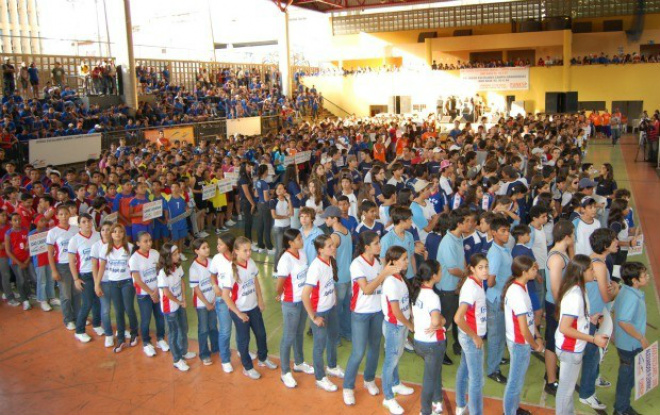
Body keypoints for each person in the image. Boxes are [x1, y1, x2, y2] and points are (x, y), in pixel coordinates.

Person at [343, 231, 394, 405]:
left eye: (379, 242)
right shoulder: (357, 264)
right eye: (376, 243)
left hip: (377, 311)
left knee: (374, 348)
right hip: (361, 312)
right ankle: (348, 387)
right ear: (366, 247)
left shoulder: (378, 262)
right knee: (358, 352)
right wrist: (383, 274)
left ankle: (369, 379)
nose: (380, 246)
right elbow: (366, 289)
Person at [555, 254, 609, 415]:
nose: (595, 272)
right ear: (581, 272)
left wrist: (589, 320)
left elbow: (574, 320)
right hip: (569, 348)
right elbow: (565, 328)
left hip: (574, 347)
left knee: (569, 388)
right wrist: (593, 338)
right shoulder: (575, 296)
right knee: (566, 391)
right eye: (591, 270)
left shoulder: (580, 289)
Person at [221, 236, 277, 379]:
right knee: (244, 339)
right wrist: (238, 313)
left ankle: (263, 358)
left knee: (261, 334)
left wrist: (260, 299)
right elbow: (225, 296)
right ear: (236, 251)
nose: (249, 253)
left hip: (253, 307)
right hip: (239, 310)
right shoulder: (230, 270)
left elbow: (255, 280)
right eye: (245, 251)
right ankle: (247, 367)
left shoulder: (250, 263)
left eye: (250, 250)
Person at [579, 228, 619, 410]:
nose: (617, 242)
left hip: (593, 313)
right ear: (605, 245)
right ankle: (586, 394)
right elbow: (605, 296)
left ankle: (594, 377)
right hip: (592, 316)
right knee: (592, 354)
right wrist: (616, 290)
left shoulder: (592, 258)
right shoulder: (600, 265)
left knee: (595, 353)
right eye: (613, 240)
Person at [502, 256, 545, 415]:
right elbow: (523, 329)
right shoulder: (517, 293)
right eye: (533, 269)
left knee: (518, 380)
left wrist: (538, 335)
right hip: (520, 342)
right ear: (524, 272)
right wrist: (535, 346)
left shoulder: (522, 286)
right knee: (514, 382)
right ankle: (509, 412)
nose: (536, 271)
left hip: (521, 341)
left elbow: (529, 319)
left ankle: (514, 408)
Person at [302, 234, 344, 391]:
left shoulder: (330, 261)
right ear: (320, 250)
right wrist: (314, 317)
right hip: (319, 312)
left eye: (333, 245)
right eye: (329, 246)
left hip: (331, 308)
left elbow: (329, 284)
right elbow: (305, 295)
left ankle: (332, 366)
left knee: (333, 338)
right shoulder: (315, 267)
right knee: (319, 346)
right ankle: (320, 377)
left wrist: (333, 300)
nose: (333, 248)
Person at [275, 228, 314, 388]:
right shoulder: (285, 260)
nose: (301, 240)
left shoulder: (302, 253)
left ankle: (299, 362)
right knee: (288, 337)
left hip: (303, 300)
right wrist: (280, 294)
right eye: (298, 238)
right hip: (291, 303)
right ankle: (285, 372)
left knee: (299, 333)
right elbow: (280, 283)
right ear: (290, 242)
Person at [380, 245, 415, 415]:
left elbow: (404, 303)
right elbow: (395, 311)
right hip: (394, 326)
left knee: (396, 357)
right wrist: (410, 325)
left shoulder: (399, 278)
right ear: (393, 261)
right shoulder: (390, 282)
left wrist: (410, 318)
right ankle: (388, 397)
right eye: (404, 259)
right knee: (390, 361)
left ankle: (396, 383)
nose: (407, 262)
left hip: (401, 326)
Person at [612, 262, 649, 415]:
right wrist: (641, 338)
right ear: (634, 280)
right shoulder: (631, 297)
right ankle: (621, 409)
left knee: (629, 375)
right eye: (644, 276)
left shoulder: (626, 290)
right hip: (630, 345)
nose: (647, 278)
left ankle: (622, 403)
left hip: (626, 343)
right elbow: (623, 321)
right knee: (627, 377)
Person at [411, 259, 446, 415]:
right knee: (430, 379)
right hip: (433, 343)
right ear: (433, 275)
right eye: (440, 271)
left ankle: (437, 401)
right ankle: (425, 411)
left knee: (435, 371)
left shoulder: (417, 292)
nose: (442, 273)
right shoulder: (433, 297)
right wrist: (442, 320)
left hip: (419, 341)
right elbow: (437, 321)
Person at [454, 253, 489, 415]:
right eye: (480, 268)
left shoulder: (478, 282)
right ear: (472, 269)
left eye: (486, 267)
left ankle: (461, 404)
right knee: (476, 380)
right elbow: (458, 318)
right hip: (471, 337)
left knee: (465, 369)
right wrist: (474, 336)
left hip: (469, 336)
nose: (485, 271)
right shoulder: (471, 288)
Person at [544, 219, 575, 395]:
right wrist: (561, 309)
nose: (574, 238)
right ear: (566, 236)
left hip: (560, 303)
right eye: (572, 235)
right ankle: (551, 381)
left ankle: (550, 372)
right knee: (552, 342)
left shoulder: (561, 254)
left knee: (556, 339)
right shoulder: (556, 258)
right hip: (556, 304)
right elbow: (555, 288)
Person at [97, 223, 138, 353]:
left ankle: (134, 333)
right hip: (113, 283)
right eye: (114, 231)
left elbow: (134, 268)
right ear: (111, 234)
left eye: (120, 231)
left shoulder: (130, 248)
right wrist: (97, 284)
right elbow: (102, 267)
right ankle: (120, 337)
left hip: (127, 282)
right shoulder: (105, 248)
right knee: (118, 311)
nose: (117, 234)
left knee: (129, 308)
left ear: (123, 234)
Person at [436, 208, 470, 361]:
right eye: (467, 221)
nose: (470, 224)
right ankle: (440, 352)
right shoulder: (448, 241)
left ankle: (458, 345)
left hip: (458, 286)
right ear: (459, 224)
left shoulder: (459, 237)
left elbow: (461, 259)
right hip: (448, 288)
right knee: (446, 320)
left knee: (459, 318)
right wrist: (467, 275)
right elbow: (452, 269)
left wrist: (465, 273)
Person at [157, 243, 196, 372]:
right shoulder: (162, 273)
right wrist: (179, 302)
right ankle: (177, 359)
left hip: (179, 303)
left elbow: (182, 283)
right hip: (170, 308)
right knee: (173, 333)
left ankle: (183, 351)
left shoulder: (178, 267)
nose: (177, 255)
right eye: (174, 254)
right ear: (167, 256)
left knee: (184, 328)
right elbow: (167, 293)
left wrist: (183, 298)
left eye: (177, 253)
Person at [129, 231, 169, 357]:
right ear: (138, 243)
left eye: (150, 240)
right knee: (146, 318)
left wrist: (157, 290)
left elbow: (159, 273)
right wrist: (151, 292)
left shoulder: (155, 253)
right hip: (144, 294)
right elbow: (138, 280)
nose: (149, 243)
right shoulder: (134, 259)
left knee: (160, 316)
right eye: (145, 241)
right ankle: (146, 342)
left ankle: (160, 339)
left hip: (157, 291)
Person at [485, 215, 513, 384]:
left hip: (502, 297)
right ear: (494, 233)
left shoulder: (504, 248)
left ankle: (497, 358)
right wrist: (501, 286)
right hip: (496, 298)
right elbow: (490, 280)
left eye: (508, 231)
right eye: (503, 231)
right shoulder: (495, 253)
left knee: (501, 332)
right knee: (495, 335)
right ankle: (492, 369)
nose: (506, 234)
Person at [67, 214, 102, 342]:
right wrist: (76, 279)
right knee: (87, 303)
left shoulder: (98, 235)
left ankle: (97, 324)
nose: (87, 224)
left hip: (98, 273)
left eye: (89, 221)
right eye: (84, 222)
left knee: (98, 301)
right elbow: (71, 261)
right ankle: (79, 330)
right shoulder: (74, 240)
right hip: (85, 274)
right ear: (79, 224)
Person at [321, 205, 353, 343]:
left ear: (334, 219)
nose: (325, 221)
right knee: (347, 308)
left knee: (335, 311)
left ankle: (336, 337)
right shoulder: (346, 231)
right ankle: (347, 333)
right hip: (348, 276)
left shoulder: (334, 236)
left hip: (338, 278)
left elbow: (330, 258)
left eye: (327, 218)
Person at [46, 205, 79, 330]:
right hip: (63, 265)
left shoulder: (75, 229)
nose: (64, 216)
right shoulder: (53, 232)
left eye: (66, 213)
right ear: (56, 216)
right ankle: (68, 319)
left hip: (76, 265)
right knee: (66, 294)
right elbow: (49, 253)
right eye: (61, 214)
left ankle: (78, 316)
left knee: (77, 293)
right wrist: (54, 270)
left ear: (69, 215)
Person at [209, 233, 236, 373]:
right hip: (223, 300)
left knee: (241, 328)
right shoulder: (216, 259)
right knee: (225, 330)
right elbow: (212, 275)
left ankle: (242, 351)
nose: (217, 246)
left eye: (220, 244)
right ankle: (225, 359)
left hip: (238, 299)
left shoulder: (237, 257)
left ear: (229, 245)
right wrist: (214, 286)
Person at [189, 238, 218, 366]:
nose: (207, 249)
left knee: (213, 326)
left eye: (207, 247)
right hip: (202, 304)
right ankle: (204, 354)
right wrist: (207, 303)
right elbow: (196, 289)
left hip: (213, 301)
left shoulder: (211, 262)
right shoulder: (194, 268)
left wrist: (215, 299)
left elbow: (215, 281)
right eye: (203, 248)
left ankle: (216, 348)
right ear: (196, 251)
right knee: (203, 329)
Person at [91, 220, 116, 348]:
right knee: (105, 309)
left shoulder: (117, 244)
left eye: (108, 229)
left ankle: (121, 330)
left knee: (119, 308)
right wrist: (97, 283)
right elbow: (95, 266)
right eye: (103, 230)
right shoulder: (96, 246)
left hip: (117, 281)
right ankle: (108, 334)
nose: (105, 232)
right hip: (104, 282)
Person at [5, 213, 31, 311]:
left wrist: (27, 259)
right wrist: (20, 263)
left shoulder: (25, 230)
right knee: (21, 279)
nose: (18, 222)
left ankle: (29, 293)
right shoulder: (8, 233)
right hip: (16, 261)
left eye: (19, 219)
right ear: (11, 222)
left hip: (26, 259)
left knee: (28, 277)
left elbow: (29, 246)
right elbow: (8, 251)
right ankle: (24, 299)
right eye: (15, 220)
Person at [254, 165, 274, 254]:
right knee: (267, 226)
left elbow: (256, 195)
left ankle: (261, 246)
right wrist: (272, 195)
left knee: (260, 226)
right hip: (265, 206)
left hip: (259, 205)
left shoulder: (257, 182)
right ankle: (269, 247)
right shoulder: (264, 184)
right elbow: (266, 199)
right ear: (265, 171)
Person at [270, 183, 293, 257]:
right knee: (279, 250)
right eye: (277, 188)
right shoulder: (273, 201)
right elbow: (274, 215)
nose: (279, 190)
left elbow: (291, 213)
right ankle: (276, 268)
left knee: (287, 248)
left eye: (281, 188)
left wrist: (289, 199)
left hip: (287, 226)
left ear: (284, 190)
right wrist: (285, 217)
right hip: (278, 228)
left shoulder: (287, 200)